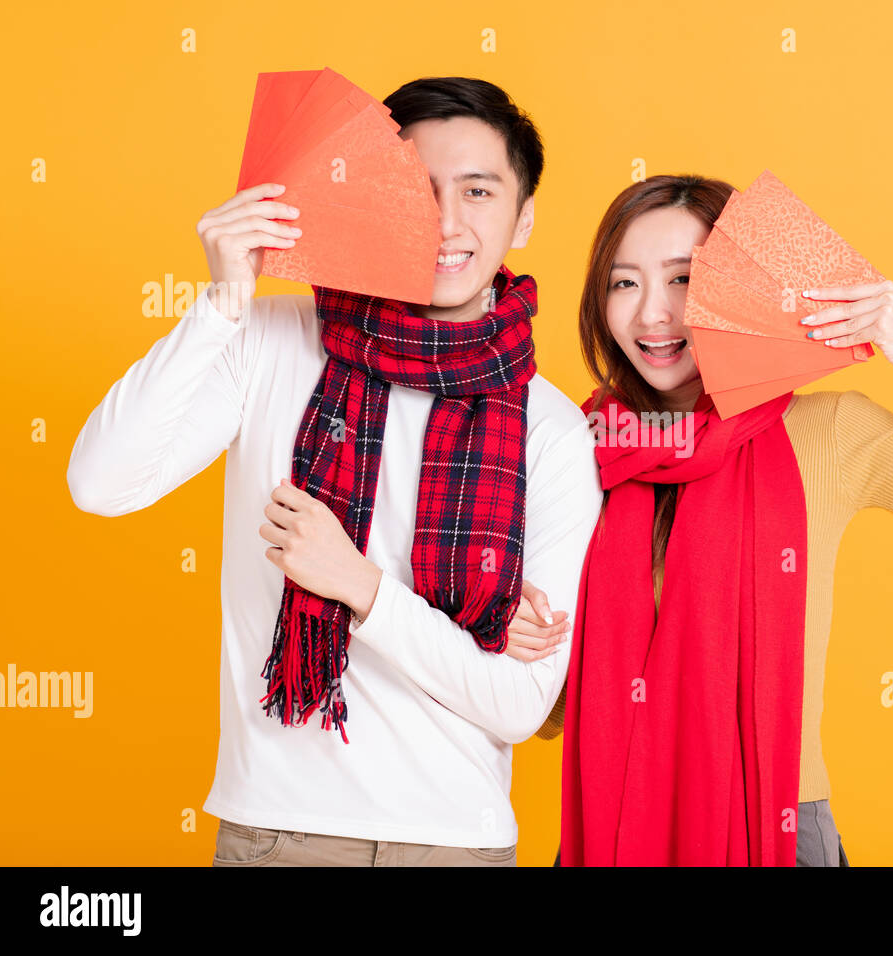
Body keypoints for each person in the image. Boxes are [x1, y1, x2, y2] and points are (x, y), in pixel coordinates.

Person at [66, 77, 602, 866]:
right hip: (279, 829)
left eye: (477, 191)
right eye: (416, 190)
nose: (446, 222)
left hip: (459, 842)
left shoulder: (551, 429)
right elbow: (100, 483)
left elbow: (522, 704)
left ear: (523, 217)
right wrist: (221, 302)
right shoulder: (272, 340)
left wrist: (362, 587)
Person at [508, 174, 893, 866]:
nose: (653, 313)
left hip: (776, 821)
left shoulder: (830, 432)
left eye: (683, 279)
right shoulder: (578, 444)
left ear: (736, 290)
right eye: (623, 284)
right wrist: (523, 636)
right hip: (618, 818)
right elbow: (558, 715)